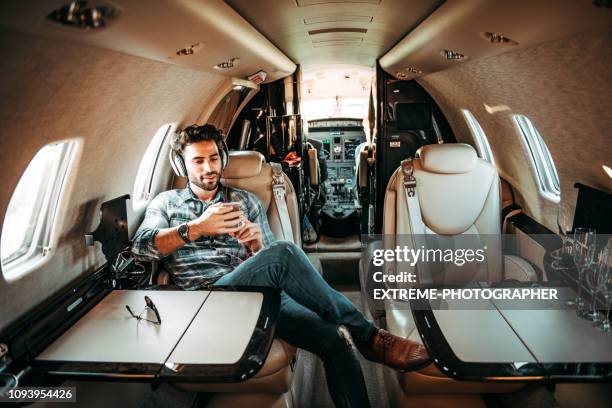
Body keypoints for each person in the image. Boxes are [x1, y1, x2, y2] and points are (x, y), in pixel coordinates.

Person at [132, 124, 430, 408]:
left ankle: (359, 341)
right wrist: (195, 228)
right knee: (284, 252)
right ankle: (370, 337)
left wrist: (255, 244)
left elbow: (272, 262)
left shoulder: (245, 201)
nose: (208, 168)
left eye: (213, 158)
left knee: (336, 339)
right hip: (205, 300)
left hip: (254, 296)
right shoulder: (166, 204)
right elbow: (141, 246)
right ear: (182, 166)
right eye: (197, 161)